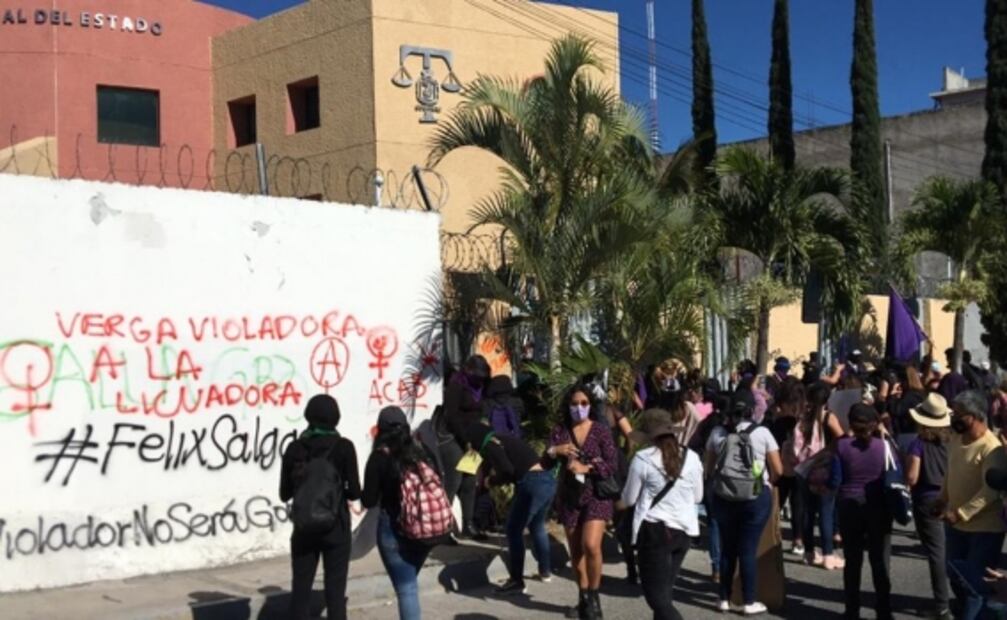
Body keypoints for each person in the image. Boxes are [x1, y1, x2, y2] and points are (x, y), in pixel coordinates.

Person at [279, 394, 362, 620]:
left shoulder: (295, 448)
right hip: (336, 527)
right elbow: (355, 492)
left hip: (304, 528)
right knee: (335, 593)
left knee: (301, 591)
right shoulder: (344, 447)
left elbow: (283, 493)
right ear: (335, 418)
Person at [621, 409, 704, 620]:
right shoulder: (692, 457)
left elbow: (629, 499)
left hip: (654, 531)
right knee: (665, 592)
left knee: (656, 598)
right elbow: (698, 497)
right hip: (684, 531)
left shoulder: (642, 459)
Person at [705, 389, 783, 615]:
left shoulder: (718, 433)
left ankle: (723, 598)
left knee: (728, 548)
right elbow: (778, 470)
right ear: (752, 410)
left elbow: (709, 469)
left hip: (723, 496)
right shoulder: (763, 433)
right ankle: (748, 601)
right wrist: (764, 480)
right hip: (755, 497)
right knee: (747, 549)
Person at [544, 384, 618, 620]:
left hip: (596, 494)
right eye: (574, 403)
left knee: (591, 545)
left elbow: (612, 465)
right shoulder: (560, 431)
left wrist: (587, 467)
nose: (579, 408)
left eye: (584, 403)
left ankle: (594, 598)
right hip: (570, 495)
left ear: (591, 405)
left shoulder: (600, 430)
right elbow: (546, 459)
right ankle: (583, 598)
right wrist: (556, 450)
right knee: (576, 550)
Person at [462, 423, 557, 595]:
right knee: (537, 526)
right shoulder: (503, 439)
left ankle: (516, 581)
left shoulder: (490, 445)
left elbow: (507, 470)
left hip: (531, 484)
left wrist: (492, 481)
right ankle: (545, 571)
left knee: (513, 530)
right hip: (547, 481)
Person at [362, 407, 438, 620]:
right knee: (409, 582)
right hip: (426, 528)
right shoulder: (422, 450)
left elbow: (368, 500)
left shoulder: (379, 458)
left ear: (380, 430)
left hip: (394, 529)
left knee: (406, 589)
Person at [938, 390, 1007, 620]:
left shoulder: (991, 448)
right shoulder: (957, 439)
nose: (954, 418)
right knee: (954, 572)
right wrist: (942, 497)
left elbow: (991, 491)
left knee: (975, 585)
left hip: (984, 529)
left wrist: (962, 513)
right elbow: (951, 470)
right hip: (956, 525)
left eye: (959, 414)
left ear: (975, 416)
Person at [828, 404, 894, 620]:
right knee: (879, 561)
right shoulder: (883, 447)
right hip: (878, 506)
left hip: (849, 505)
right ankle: (883, 611)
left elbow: (835, 480)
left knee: (853, 561)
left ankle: (852, 610)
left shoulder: (842, 447)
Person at [905, 393, 952, 620]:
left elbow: (912, 477)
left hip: (928, 498)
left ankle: (942, 606)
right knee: (952, 550)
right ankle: (961, 598)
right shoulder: (954, 439)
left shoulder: (919, 444)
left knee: (936, 553)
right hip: (952, 495)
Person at [794, 382, 845, 569]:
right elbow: (841, 439)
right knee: (826, 511)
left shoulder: (802, 417)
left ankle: (809, 552)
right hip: (823, 468)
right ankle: (828, 554)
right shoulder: (828, 417)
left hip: (803, 468)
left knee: (808, 512)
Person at [440, 355, 491, 538]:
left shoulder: (481, 386)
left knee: (470, 481)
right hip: (453, 437)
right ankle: (443, 528)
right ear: (467, 370)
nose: (479, 378)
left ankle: (468, 524)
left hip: (472, 438)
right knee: (453, 481)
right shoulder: (457, 385)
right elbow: (451, 416)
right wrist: (465, 439)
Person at [891, 366, 927, 453]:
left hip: (908, 433)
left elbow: (897, 411)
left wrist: (893, 396)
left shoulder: (910, 396)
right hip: (919, 432)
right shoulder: (921, 394)